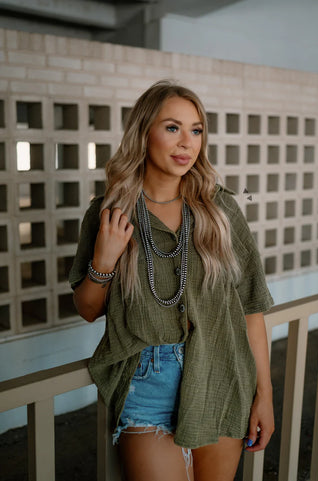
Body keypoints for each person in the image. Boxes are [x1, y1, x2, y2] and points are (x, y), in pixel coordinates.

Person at [69, 80, 275, 481]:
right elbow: (88, 310)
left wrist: (264, 395)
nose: (187, 143)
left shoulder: (220, 209)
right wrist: (105, 259)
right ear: (144, 132)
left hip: (221, 373)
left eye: (195, 130)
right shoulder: (108, 213)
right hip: (147, 384)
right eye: (172, 128)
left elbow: (251, 308)